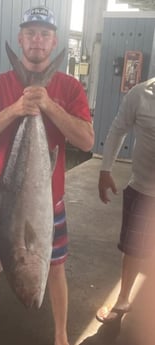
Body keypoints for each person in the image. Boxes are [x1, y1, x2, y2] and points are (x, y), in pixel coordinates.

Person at [0, 6, 94, 345]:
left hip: (50, 200)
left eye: (45, 34)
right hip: (5, 197)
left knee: (57, 267)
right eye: (31, 33)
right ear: (21, 39)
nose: (37, 40)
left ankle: (62, 336)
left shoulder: (70, 88)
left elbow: (87, 141)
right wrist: (16, 109)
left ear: (54, 42)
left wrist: (49, 105)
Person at [96, 77, 155, 323]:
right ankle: (123, 298)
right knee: (132, 249)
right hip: (143, 190)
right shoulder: (140, 94)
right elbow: (118, 128)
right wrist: (105, 169)